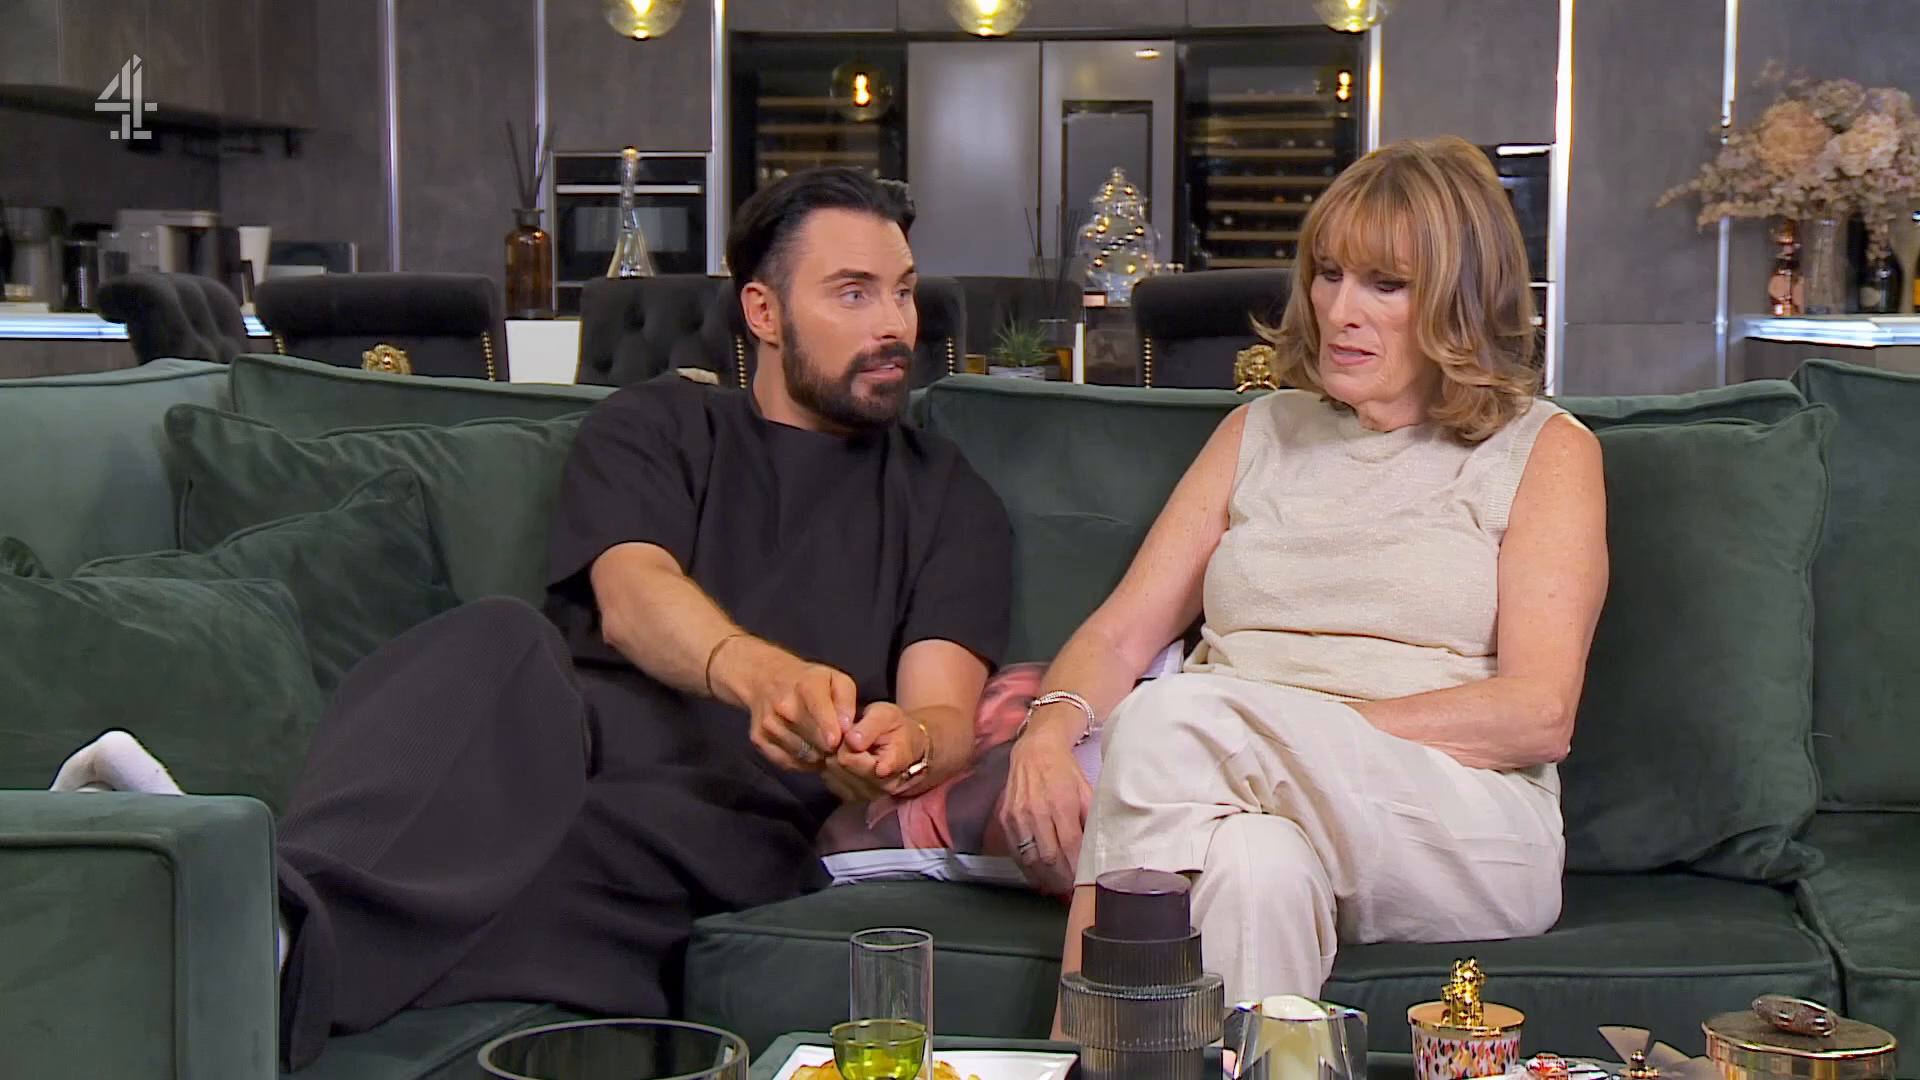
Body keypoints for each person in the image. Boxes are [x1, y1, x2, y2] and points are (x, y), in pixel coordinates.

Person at [50, 167, 1013, 1070]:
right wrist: (763, 675)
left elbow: (941, 715)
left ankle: (239, 929)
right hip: (549, 745)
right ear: (763, 311)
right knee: (497, 637)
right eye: (854, 294)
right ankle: (253, 924)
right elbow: (632, 598)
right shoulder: (659, 425)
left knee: (554, 894)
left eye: (903, 292)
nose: (894, 324)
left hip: (722, 818)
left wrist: (901, 750)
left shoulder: (947, 495)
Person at [996, 136, 1609, 1012]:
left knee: (1173, 718)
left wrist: (1281, 741)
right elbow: (1120, 634)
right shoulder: (1258, 432)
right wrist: (1047, 734)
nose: (1338, 311)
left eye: (1385, 285)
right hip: (1242, 802)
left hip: (1463, 825)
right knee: (1254, 869)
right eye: (1328, 274)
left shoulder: (1544, 449)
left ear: (1460, 300)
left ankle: (1082, 1051)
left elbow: (1539, 715)